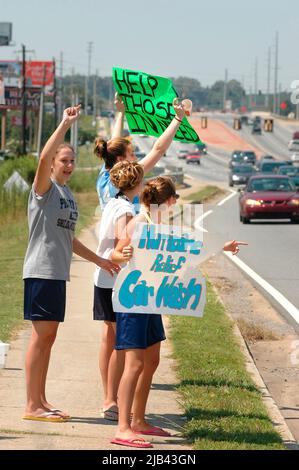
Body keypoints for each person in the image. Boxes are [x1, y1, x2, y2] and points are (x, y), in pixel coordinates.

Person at [109, 172, 248, 448]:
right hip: (134, 301)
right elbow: (114, 253)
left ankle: (139, 420)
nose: (176, 205)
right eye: (175, 200)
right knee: (134, 364)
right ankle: (122, 427)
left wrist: (223, 247)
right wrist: (121, 255)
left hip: (152, 301)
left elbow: (191, 249)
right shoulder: (138, 223)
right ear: (169, 200)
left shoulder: (164, 226)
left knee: (152, 361)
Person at [22, 105, 120, 423]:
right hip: (41, 270)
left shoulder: (66, 195)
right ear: (52, 164)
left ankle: (40, 398)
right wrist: (65, 124)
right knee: (41, 337)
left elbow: (70, 239)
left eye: (72, 161)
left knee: (49, 338)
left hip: (57, 273)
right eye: (64, 160)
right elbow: (41, 158)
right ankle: (31, 405)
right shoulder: (44, 190)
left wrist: (101, 261)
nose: (69, 165)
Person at [93, 95, 187, 419]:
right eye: (132, 154)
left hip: (115, 272)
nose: (138, 158)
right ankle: (113, 402)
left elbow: (115, 150)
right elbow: (156, 150)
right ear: (125, 166)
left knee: (114, 336)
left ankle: (114, 401)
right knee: (122, 342)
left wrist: (119, 114)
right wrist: (176, 120)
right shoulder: (120, 200)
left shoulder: (109, 179)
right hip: (115, 272)